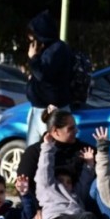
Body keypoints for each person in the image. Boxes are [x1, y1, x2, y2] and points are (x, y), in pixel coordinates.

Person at [35, 131, 102, 219]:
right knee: (88, 217)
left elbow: (84, 182)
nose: (65, 184)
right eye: (61, 181)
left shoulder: (75, 194)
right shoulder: (49, 187)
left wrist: (89, 164)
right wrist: (47, 147)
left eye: (68, 182)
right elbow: (44, 169)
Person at [24, 10, 74, 145]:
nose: (32, 41)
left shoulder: (56, 50)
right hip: (40, 107)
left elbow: (44, 75)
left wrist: (33, 58)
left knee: (50, 148)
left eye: (33, 36)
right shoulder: (50, 49)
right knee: (34, 150)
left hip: (50, 108)